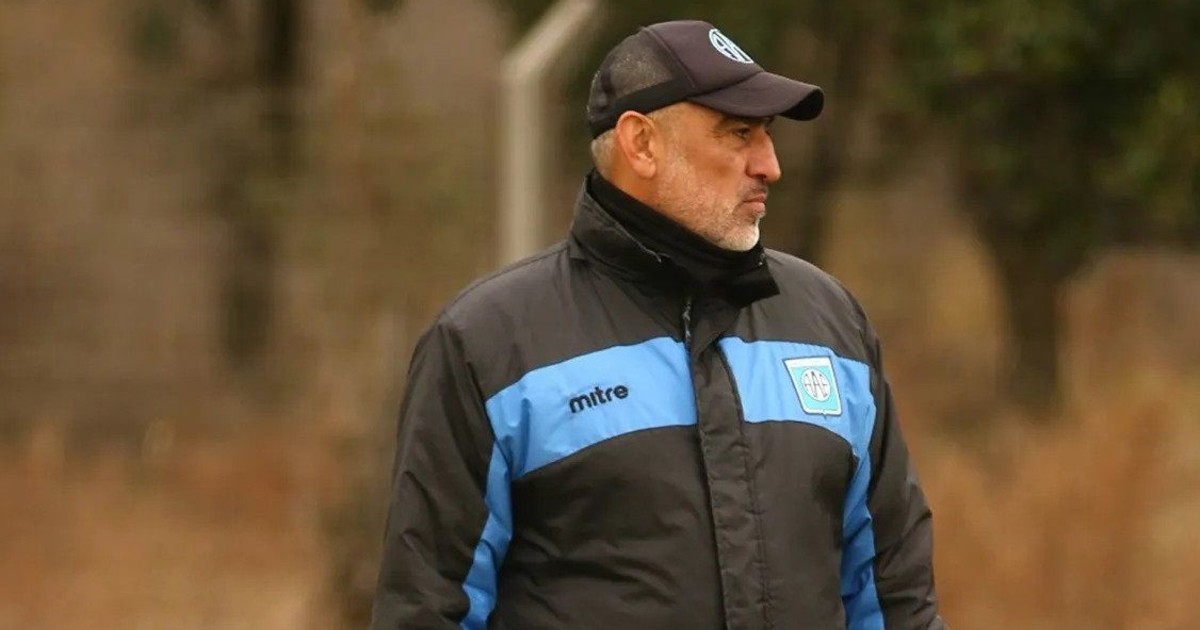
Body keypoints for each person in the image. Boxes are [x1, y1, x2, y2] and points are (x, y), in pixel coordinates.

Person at [371, 19, 946, 630]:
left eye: (768, 134)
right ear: (641, 144)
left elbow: (896, 596)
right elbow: (429, 608)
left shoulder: (830, 321)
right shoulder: (488, 343)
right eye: (740, 133)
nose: (770, 165)